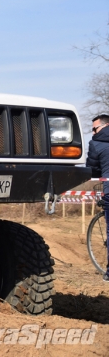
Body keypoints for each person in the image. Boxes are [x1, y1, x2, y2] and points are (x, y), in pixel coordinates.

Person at [86, 113, 109, 282]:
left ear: (104, 126)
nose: (93, 132)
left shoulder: (96, 144)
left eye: (95, 129)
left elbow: (92, 169)